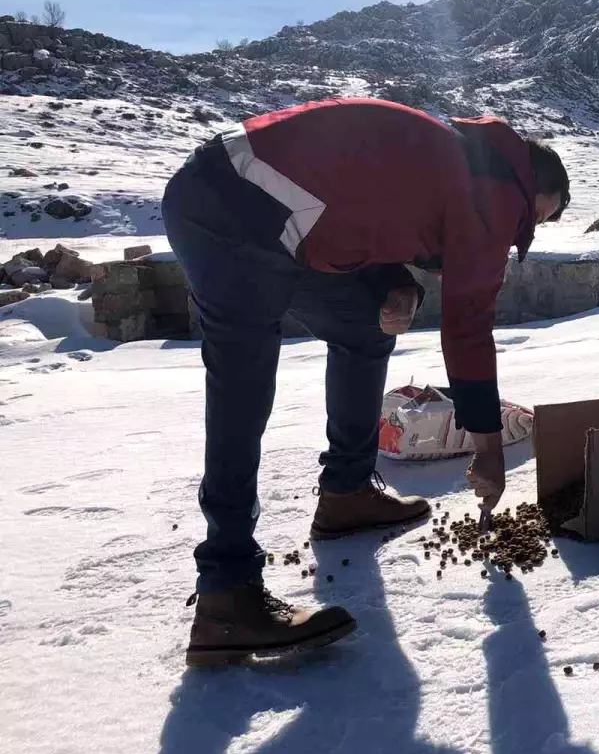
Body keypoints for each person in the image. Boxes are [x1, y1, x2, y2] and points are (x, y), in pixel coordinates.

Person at [162, 98, 570, 665]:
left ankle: (346, 494)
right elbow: (469, 326)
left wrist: (399, 285)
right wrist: (489, 447)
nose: (520, 237)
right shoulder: (498, 193)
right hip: (234, 208)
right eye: (538, 222)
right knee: (243, 381)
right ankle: (226, 593)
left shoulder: (464, 161)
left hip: (258, 210)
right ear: (536, 192)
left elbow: (355, 206)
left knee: (365, 325)